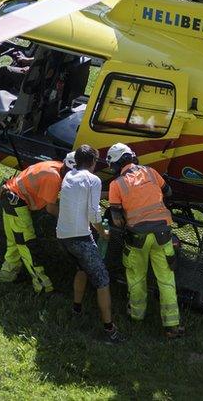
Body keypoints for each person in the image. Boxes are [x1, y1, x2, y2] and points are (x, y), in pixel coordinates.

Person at [105, 144, 184, 339]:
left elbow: (117, 219)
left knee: (136, 277)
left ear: (116, 164)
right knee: (166, 280)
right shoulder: (151, 172)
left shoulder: (116, 185)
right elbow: (168, 192)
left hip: (136, 238)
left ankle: (136, 316)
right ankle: (172, 326)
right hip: (162, 236)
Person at [57, 145, 125, 343]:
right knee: (103, 280)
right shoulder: (93, 179)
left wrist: (107, 194)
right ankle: (110, 330)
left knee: (82, 268)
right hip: (81, 238)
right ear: (94, 162)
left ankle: (76, 308)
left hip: (63, 236)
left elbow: (82, 195)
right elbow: (93, 212)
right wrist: (103, 232)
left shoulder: (69, 176)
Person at [0, 157, 68, 293]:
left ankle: (6, 276)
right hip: (17, 204)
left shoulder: (56, 165)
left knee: (15, 242)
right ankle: (43, 286)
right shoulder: (54, 178)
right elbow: (51, 209)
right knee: (27, 245)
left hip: (9, 197)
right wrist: (67, 218)